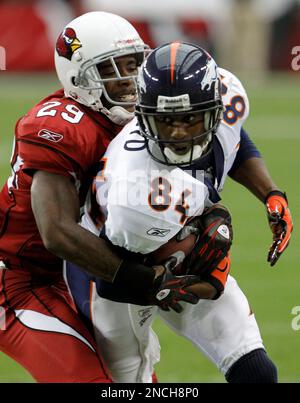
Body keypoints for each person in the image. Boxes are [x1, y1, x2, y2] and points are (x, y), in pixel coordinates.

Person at [66, 42, 293, 383]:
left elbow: (234, 141)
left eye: (190, 119)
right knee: (130, 383)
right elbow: (113, 276)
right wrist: (194, 281)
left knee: (257, 373)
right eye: (166, 121)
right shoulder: (134, 190)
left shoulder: (227, 99)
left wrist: (271, 194)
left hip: (176, 252)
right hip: (113, 273)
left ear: (215, 111)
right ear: (142, 117)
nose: (177, 133)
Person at [0, 13, 200, 383]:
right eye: (112, 69)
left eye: (134, 65)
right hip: (19, 281)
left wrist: (211, 215)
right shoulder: (61, 126)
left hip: (78, 271)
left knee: (137, 382)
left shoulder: (139, 120)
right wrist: (140, 278)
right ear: (79, 77)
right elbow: (56, 231)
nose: (128, 80)